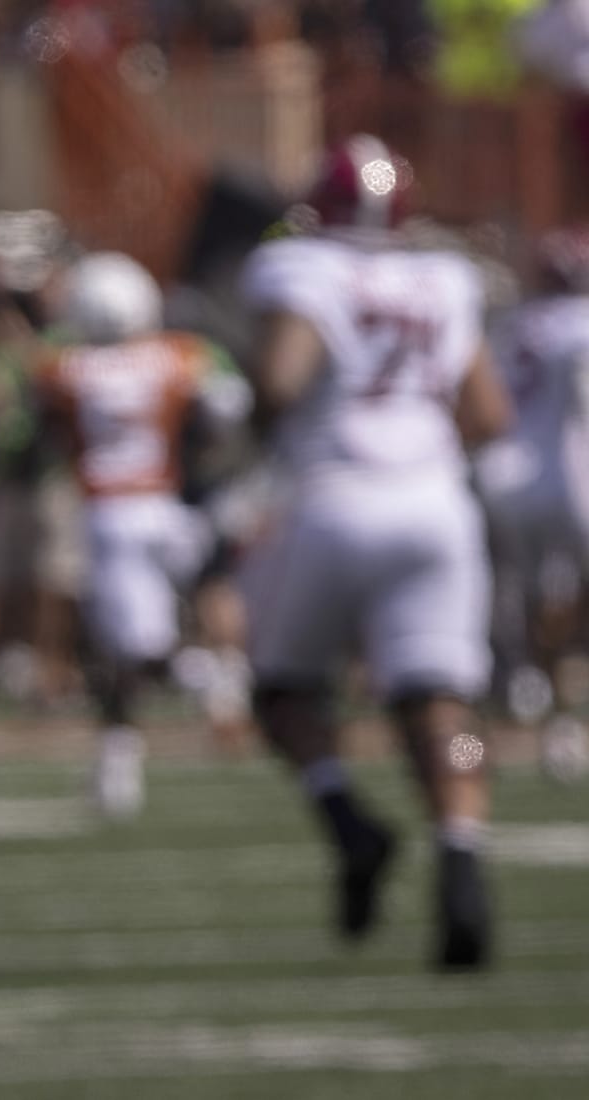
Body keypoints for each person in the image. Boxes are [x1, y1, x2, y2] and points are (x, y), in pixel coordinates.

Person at [238, 135, 512, 970]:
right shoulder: (445, 277)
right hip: (436, 507)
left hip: (336, 498)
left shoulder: (304, 272)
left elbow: (283, 381)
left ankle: (347, 820)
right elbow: (489, 415)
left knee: (285, 692)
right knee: (439, 705)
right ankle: (461, 857)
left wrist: (254, 427)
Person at [35, 250, 251, 818]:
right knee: (188, 607)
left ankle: (204, 684)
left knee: (133, 652)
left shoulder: (65, 367)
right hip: (168, 506)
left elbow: (42, 429)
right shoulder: (182, 355)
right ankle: (209, 685)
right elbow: (226, 412)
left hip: (111, 514)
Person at [475, 227, 589, 780]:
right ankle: (557, 714)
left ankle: (523, 686)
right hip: (567, 476)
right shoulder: (580, 326)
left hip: (505, 474)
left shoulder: (516, 324)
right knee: (562, 600)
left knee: (519, 591)